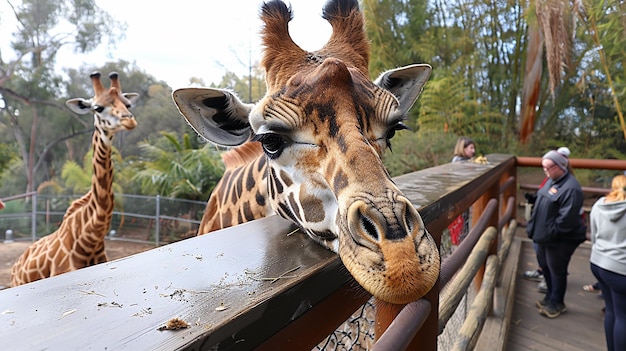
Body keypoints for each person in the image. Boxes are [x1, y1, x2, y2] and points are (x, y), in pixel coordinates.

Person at [526, 149, 587, 318]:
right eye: (543, 167)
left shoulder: (571, 188)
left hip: (561, 238)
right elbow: (543, 199)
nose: (545, 170)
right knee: (545, 265)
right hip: (546, 236)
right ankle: (549, 297)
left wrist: (549, 234)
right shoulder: (552, 180)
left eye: (548, 167)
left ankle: (557, 302)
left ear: (560, 166)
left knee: (556, 268)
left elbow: (565, 220)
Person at [523, 147, 572, 293]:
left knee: (552, 258)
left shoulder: (567, 184)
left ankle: (550, 285)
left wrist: (551, 231)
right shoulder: (550, 179)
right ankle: (542, 272)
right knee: (540, 251)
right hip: (542, 226)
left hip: (551, 230)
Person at [589, 174, 626, 351]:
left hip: (598, 263)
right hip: (620, 270)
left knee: (611, 311)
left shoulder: (599, 204)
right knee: (623, 317)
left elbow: (594, 234)